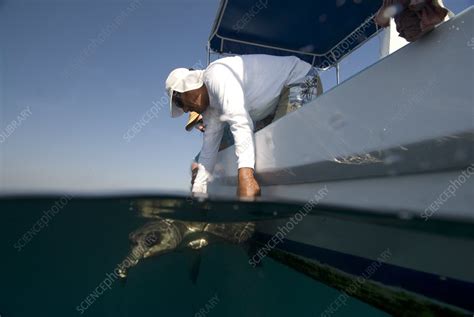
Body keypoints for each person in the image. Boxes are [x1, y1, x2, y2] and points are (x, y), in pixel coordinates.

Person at [166, 54, 319, 197]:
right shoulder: (210, 110)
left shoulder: (216, 75)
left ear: (188, 85)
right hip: (272, 106)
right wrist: (198, 190)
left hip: (299, 79)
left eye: (179, 102)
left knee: (282, 152)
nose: (185, 109)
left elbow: (240, 123)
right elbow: (208, 151)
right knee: (267, 156)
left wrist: (246, 177)